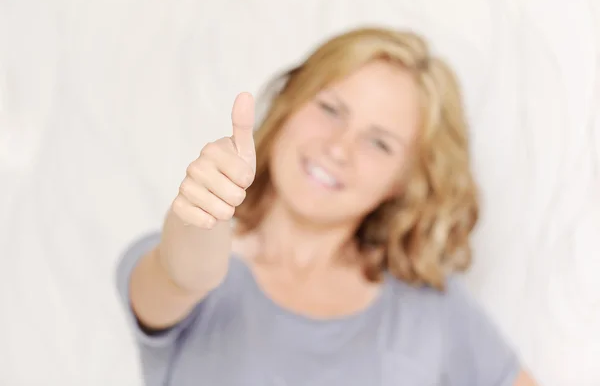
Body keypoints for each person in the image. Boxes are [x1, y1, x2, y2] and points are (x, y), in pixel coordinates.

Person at [116, 27, 538, 386]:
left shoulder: (431, 311)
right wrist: (204, 212)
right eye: (330, 110)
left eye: (378, 142)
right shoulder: (183, 266)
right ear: (289, 105)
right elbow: (184, 273)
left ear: (402, 182)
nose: (338, 148)